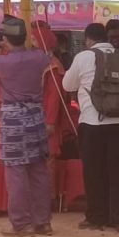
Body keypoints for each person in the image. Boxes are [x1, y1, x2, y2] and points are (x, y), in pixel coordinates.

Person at [0, 16, 53, 236]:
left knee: (16, 172)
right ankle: (43, 221)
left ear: (5, 39)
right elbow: (47, 55)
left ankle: (21, 222)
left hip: (13, 117)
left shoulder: (4, 63)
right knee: (39, 169)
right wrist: (35, 44)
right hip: (36, 116)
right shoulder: (38, 57)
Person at [63, 22, 119, 231]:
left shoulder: (84, 56)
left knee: (94, 171)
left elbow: (67, 85)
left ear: (88, 39)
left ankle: (96, 217)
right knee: (118, 172)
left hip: (92, 121)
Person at [32, 21, 78, 196]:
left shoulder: (52, 65)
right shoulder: (37, 63)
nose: (31, 44)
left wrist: (50, 121)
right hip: (35, 117)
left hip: (46, 119)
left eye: (34, 40)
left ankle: (47, 198)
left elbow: (54, 95)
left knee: (47, 158)